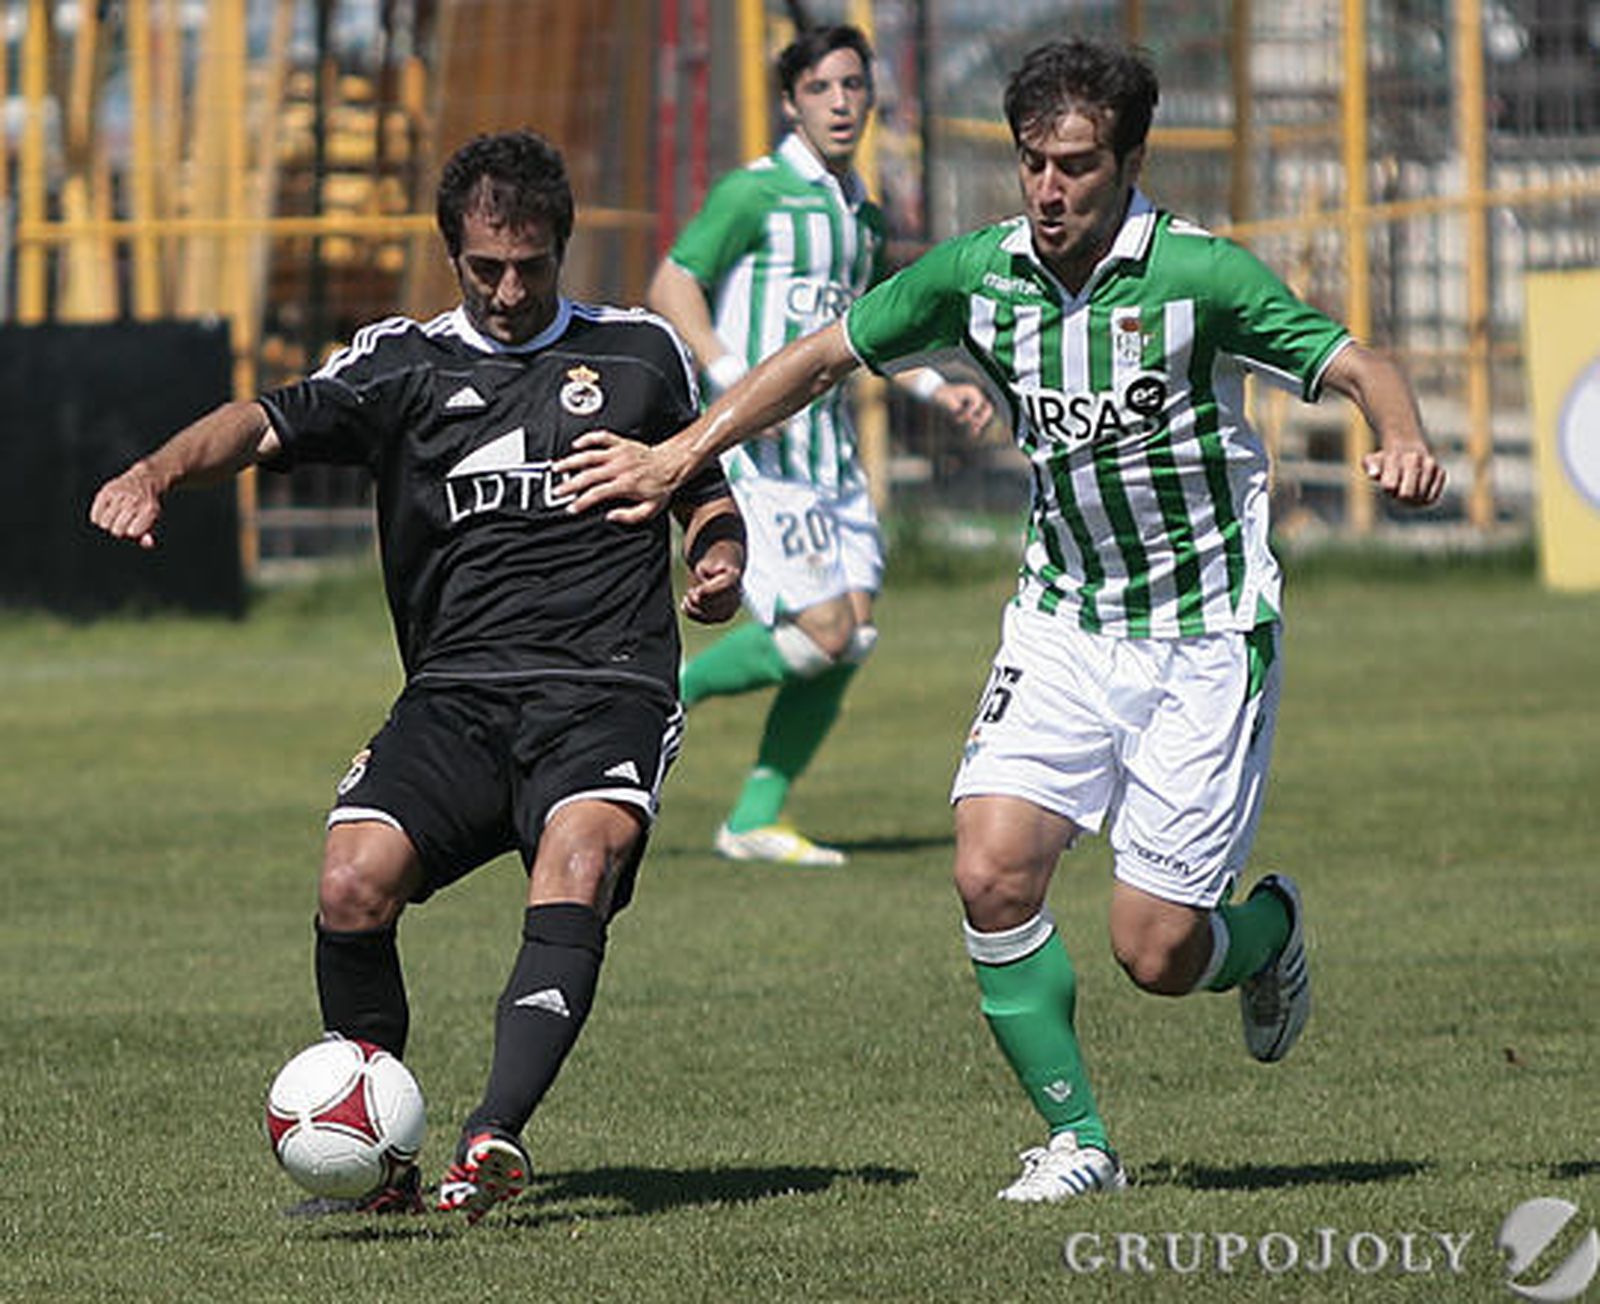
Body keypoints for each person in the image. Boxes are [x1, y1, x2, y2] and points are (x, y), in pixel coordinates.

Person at [555, 38, 1447, 1202]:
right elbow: (821, 356)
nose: (1047, 188)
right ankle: (1079, 1142)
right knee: (990, 871)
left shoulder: (1200, 278)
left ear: (1127, 161)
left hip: (1203, 636)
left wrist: (1404, 434)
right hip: (1061, 622)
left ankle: (1267, 933)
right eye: (1032, 162)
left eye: (1074, 165)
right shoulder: (978, 274)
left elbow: (1356, 362)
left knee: (1157, 951)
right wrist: (681, 451)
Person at [89, 129, 745, 1222]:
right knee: (352, 879)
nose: (506, 288)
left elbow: (701, 483)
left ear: (560, 247)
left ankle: (492, 1134)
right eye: (484, 266)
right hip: (455, 695)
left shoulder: (639, 355)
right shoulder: (402, 364)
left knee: (577, 857)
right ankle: (379, 1164)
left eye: (529, 265)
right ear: (453, 255)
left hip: (604, 685)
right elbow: (261, 421)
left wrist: (718, 554)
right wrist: (157, 471)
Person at [646, 23, 993, 867]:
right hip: (764, 458)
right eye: (822, 89)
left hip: (830, 458)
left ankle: (755, 818)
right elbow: (670, 282)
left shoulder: (860, 212)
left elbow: (865, 333)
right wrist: (733, 374)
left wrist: (933, 384)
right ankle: (646, 696)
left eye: (853, 86)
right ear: (792, 102)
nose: (841, 103)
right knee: (823, 631)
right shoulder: (755, 193)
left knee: (851, 636)